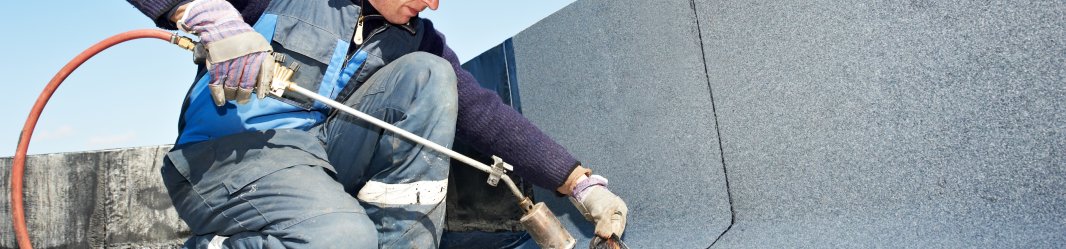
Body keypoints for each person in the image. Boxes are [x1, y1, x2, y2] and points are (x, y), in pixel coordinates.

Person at [126, 0, 629, 248]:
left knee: (430, 76)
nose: (433, 2)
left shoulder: (414, 38)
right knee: (348, 241)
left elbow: (485, 115)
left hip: (315, 158)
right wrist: (201, 12)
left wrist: (579, 183)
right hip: (229, 156)